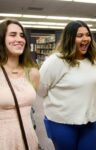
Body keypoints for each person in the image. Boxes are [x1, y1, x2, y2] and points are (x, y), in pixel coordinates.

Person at [38, 20, 96, 150]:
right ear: (69, 38)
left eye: (87, 34)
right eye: (79, 36)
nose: (85, 39)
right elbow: (40, 90)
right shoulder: (56, 61)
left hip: (90, 122)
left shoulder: (92, 60)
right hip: (62, 123)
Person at [0, 19, 40, 150]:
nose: (19, 39)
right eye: (12, 35)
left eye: (22, 35)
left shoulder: (33, 73)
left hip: (28, 138)